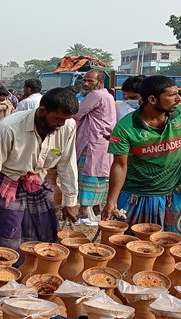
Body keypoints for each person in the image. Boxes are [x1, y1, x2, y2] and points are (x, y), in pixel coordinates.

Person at [0, 87, 80, 255]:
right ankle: (9, 273)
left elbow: (67, 163)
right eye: (58, 118)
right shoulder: (9, 127)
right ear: (42, 111)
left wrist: (70, 200)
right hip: (9, 184)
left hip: (39, 183)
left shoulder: (68, 126)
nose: (61, 124)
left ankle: (38, 274)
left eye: (65, 120)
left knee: (45, 235)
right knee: (8, 236)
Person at [102, 75, 181, 240]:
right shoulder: (125, 128)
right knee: (132, 243)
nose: (178, 99)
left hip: (173, 191)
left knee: (172, 244)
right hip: (137, 194)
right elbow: (120, 165)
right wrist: (111, 201)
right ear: (152, 99)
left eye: (178, 93)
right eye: (171, 95)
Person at [72, 70, 116, 225]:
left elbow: (77, 113)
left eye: (90, 81)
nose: (85, 84)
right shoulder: (108, 95)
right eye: (84, 80)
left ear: (100, 82)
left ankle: (84, 212)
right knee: (99, 177)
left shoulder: (95, 95)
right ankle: (96, 210)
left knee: (87, 175)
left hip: (91, 142)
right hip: (102, 142)